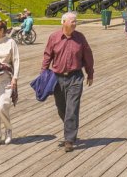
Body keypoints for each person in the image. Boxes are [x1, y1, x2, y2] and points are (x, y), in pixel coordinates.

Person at [41, 12, 94, 152]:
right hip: (57, 78)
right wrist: (43, 73)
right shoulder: (54, 37)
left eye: (76, 21)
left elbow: (88, 56)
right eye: (72, 21)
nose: (75, 23)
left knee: (72, 108)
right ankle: (70, 127)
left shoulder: (80, 38)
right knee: (61, 107)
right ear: (63, 22)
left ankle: (69, 139)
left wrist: (90, 73)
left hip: (75, 77)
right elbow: (47, 55)